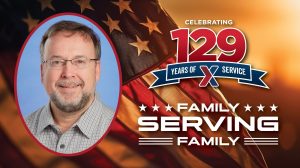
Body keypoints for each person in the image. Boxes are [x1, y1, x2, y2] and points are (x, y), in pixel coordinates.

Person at [25, 20, 114, 154]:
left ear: (97, 70)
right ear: (42, 72)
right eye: (56, 62)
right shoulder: (17, 131)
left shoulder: (122, 132)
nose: (67, 73)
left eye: (79, 61)